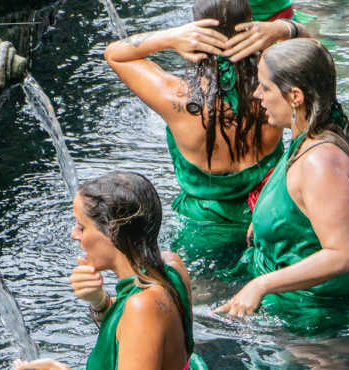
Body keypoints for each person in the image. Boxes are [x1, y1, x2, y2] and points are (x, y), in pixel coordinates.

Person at [216, 39, 349, 328]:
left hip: (310, 312)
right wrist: (278, 221)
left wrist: (261, 286)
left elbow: (340, 255)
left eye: (265, 87)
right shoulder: (341, 127)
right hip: (295, 291)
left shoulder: (320, 162)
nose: (257, 95)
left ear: (295, 96)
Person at [18, 171, 210, 370]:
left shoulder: (142, 306)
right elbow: (142, 341)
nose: (73, 235)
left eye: (82, 227)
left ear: (111, 231)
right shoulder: (171, 266)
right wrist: (99, 301)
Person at [103, 0, 300, 252]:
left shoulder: (177, 99)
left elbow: (114, 53)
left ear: (193, 34)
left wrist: (171, 37)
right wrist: (283, 29)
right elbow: (315, 52)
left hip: (201, 230)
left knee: (201, 291)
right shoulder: (275, 92)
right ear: (253, 28)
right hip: (269, 216)